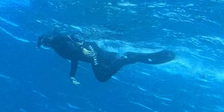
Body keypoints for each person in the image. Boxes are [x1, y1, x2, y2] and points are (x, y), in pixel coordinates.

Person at [38, 32, 175, 84]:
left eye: (44, 42)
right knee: (113, 64)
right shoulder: (58, 49)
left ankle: (127, 57)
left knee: (102, 76)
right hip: (95, 54)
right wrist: (72, 76)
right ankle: (161, 54)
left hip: (93, 53)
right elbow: (74, 59)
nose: (46, 44)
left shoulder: (56, 40)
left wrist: (81, 47)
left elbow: (70, 36)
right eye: (44, 44)